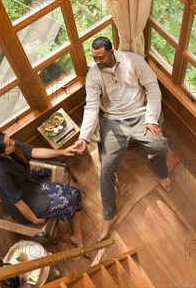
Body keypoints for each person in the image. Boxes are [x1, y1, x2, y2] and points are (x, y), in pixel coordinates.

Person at [72, 36, 171, 242]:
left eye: (100, 57)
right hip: (113, 121)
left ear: (112, 52)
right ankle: (109, 214)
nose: (97, 61)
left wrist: (151, 118)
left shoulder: (133, 61)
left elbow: (152, 88)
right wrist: (83, 137)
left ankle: (161, 173)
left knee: (159, 145)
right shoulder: (93, 75)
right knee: (106, 167)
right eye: (94, 57)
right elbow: (91, 107)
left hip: (140, 115)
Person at [0, 132, 85, 248]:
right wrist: (35, 220)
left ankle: (77, 234)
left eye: (10, 140)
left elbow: (35, 151)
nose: (13, 142)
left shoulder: (12, 147)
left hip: (31, 186)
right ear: (1, 154)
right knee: (67, 203)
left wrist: (63, 152)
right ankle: (62, 235)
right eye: (9, 144)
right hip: (24, 203)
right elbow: (17, 201)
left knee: (75, 193)